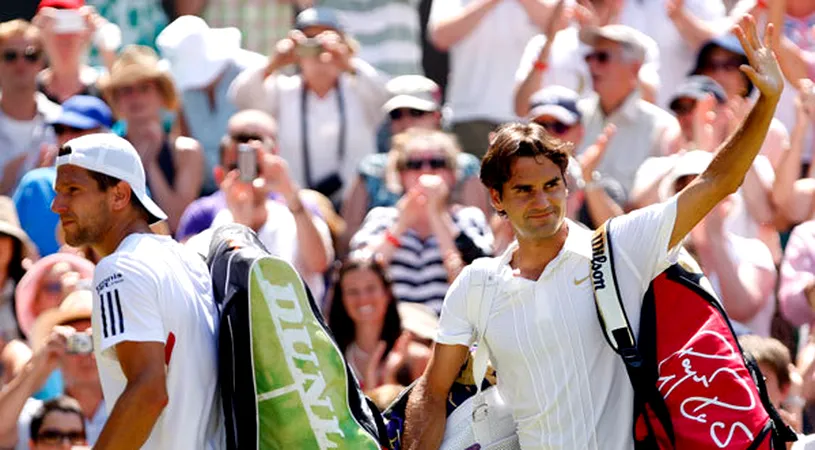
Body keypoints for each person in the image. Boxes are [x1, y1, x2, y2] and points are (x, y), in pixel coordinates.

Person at [401, 16, 784, 449]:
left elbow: (717, 182)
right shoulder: (477, 284)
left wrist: (768, 102)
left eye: (551, 186)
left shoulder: (621, 246)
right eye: (523, 191)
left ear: (567, 185)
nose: (542, 201)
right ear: (496, 199)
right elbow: (432, 391)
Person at [50, 133, 224, 449]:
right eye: (58, 192)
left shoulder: (119, 269)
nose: (56, 205)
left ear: (119, 195)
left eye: (72, 190)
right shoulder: (185, 259)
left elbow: (148, 392)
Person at [229, 7, 390, 202]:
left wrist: (349, 63)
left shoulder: (359, 89)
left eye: (327, 39)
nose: (320, 48)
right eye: (310, 39)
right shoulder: (282, 90)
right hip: (298, 206)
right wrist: (273, 63)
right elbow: (241, 98)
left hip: (355, 209)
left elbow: (386, 98)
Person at [181, 109, 334, 302]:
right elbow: (191, 280)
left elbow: (319, 263)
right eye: (236, 166)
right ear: (220, 175)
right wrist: (240, 222)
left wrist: (289, 192)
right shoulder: (209, 224)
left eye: (256, 165)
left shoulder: (297, 212)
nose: (247, 174)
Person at [350, 128, 493, 314]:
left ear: (452, 174)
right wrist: (401, 225)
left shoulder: (468, 217)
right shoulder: (382, 217)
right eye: (414, 164)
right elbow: (358, 276)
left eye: (437, 163)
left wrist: (438, 215)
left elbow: (475, 284)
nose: (426, 170)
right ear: (400, 174)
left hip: (447, 328)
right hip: (396, 328)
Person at [98, 45, 204, 232]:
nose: (135, 97)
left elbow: (177, 222)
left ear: (162, 94)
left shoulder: (187, 152)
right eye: (126, 90)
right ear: (116, 99)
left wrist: (151, 163)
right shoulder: (105, 151)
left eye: (144, 88)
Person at [156, 15, 266, 195]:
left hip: (254, 187)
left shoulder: (252, 70)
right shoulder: (182, 89)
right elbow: (184, 132)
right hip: (205, 189)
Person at [576, 24, 680, 199]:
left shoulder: (661, 127)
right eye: (589, 57)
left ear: (634, 68)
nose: (592, 65)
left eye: (602, 57)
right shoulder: (573, 116)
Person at [0, 291, 107, 450]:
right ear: (58, 351)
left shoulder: (134, 405)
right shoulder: (36, 413)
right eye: (75, 342)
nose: (85, 353)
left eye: (94, 341)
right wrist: (37, 366)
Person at [13, 95, 113, 257]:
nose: (67, 137)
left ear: (105, 134)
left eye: (76, 129)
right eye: (60, 130)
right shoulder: (34, 184)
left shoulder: (125, 185)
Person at [328, 252, 431, 391]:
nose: (363, 298)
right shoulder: (331, 359)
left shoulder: (417, 358)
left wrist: (390, 377)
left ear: (387, 293)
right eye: (352, 291)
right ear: (341, 299)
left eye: (371, 288)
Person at [0, 19, 60, 196]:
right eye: (10, 56)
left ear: (42, 62)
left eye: (30, 55)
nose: (21, 64)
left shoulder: (63, 120)